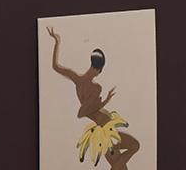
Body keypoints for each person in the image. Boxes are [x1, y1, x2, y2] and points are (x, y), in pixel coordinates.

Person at [46, 28, 140, 169]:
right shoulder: (96, 88)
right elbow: (85, 111)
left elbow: (55, 66)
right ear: (98, 69)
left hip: (105, 130)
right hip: (104, 132)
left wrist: (57, 42)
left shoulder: (77, 79)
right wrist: (105, 101)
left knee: (121, 166)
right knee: (134, 146)